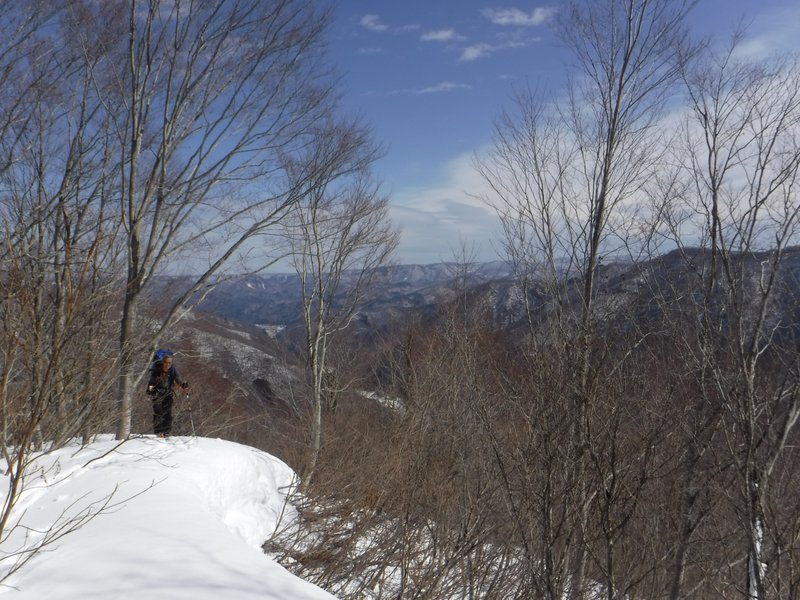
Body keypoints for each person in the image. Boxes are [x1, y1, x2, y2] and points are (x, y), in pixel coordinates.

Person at [146, 351, 189, 437]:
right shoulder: (156, 370)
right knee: (158, 412)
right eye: (166, 362)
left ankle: (166, 432)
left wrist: (183, 385)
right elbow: (151, 382)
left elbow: (178, 379)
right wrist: (150, 390)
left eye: (169, 363)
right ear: (162, 362)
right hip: (157, 393)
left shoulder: (172, 370)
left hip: (168, 393)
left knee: (167, 413)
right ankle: (159, 432)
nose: (167, 364)